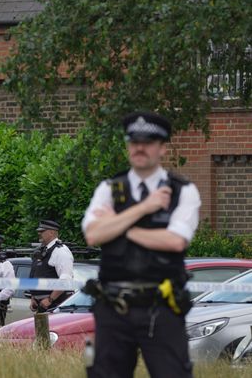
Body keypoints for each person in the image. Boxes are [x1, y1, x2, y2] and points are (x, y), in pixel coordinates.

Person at [82, 111, 201, 378]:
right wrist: (145, 208)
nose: (139, 147)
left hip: (161, 307)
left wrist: (118, 226)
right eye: (134, 141)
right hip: (114, 307)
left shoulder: (183, 191)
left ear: (162, 148)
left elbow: (175, 241)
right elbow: (92, 235)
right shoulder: (109, 189)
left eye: (148, 142)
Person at [29, 220, 74, 312]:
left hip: (55, 305)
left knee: (53, 327)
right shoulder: (41, 250)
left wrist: (50, 299)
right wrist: (33, 297)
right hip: (41, 305)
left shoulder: (61, 251)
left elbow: (65, 280)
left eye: (42, 231)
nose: (39, 233)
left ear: (52, 232)